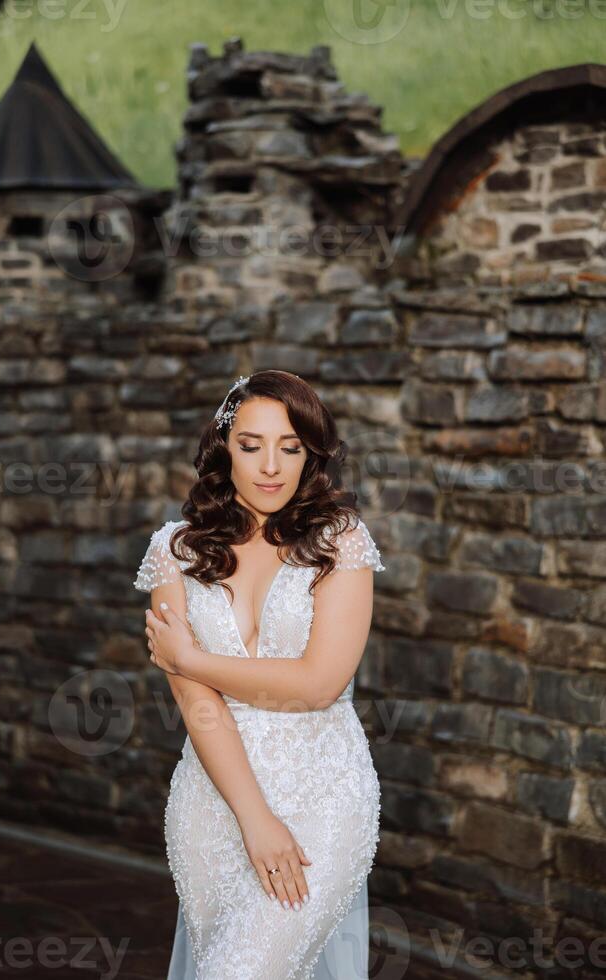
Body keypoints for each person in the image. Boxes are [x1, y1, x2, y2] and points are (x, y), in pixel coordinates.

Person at [133, 370, 385, 980]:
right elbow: (200, 708)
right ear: (225, 449)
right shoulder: (176, 549)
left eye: (290, 447)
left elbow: (318, 684)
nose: (271, 465)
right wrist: (253, 818)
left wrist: (189, 657)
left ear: (310, 455)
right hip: (212, 805)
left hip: (322, 796)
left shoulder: (340, 542)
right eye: (251, 445)